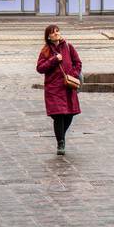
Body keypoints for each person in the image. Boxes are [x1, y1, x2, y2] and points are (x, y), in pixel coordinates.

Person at [36, 24, 82, 155]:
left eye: (57, 31)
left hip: (68, 86)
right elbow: (40, 68)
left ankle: (61, 135)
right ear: (48, 37)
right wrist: (53, 60)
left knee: (70, 114)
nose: (56, 34)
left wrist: (73, 74)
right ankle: (60, 143)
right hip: (53, 88)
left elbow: (78, 63)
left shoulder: (68, 47)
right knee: (59, 115)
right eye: (53, 32)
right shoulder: (45, 51)